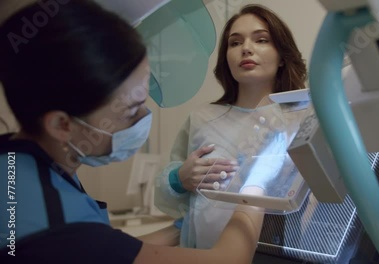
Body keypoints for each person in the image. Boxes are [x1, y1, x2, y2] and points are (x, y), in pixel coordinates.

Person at [0, 1, 264, 263]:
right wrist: (255, 188)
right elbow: (230, 259)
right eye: (130, 110)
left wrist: (185, 226)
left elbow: (114, 247)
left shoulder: (18, 163)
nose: (143, 119)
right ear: (61, 125)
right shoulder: (53, 225)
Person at [154, 4, 309, 249]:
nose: (246, 49)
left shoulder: (302, 121)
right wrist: (177, 180)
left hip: (278, 252)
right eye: (235, 43)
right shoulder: (202, 118)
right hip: (202, 252)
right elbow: (175, 205)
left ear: (281, 56)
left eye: (261, 40)